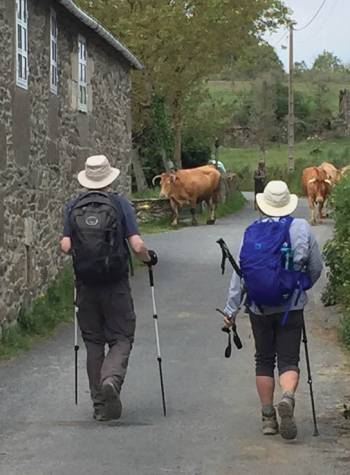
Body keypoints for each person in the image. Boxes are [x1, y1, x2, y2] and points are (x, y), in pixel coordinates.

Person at [222, 181, 323, 440]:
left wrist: (231, 309)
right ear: (287, 202)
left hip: (259, 307)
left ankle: (268, 417)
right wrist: (302, 287)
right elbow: (315, 267)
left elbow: (240, 274)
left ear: (263, 204)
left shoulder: (251, 231)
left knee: (264, 359)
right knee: (289, 360)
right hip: (292, 304)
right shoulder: (301, 228)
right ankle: (287, 397)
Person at [60, 155, 157, 422]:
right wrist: (149, 259)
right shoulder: (120, 204)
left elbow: (66, 246)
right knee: (122, 336)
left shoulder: (73, 206)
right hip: (115, 283)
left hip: (86, 284)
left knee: (93, 342)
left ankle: (100, 406)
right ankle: (111, 380)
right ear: (109, 178)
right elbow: (137, 246)